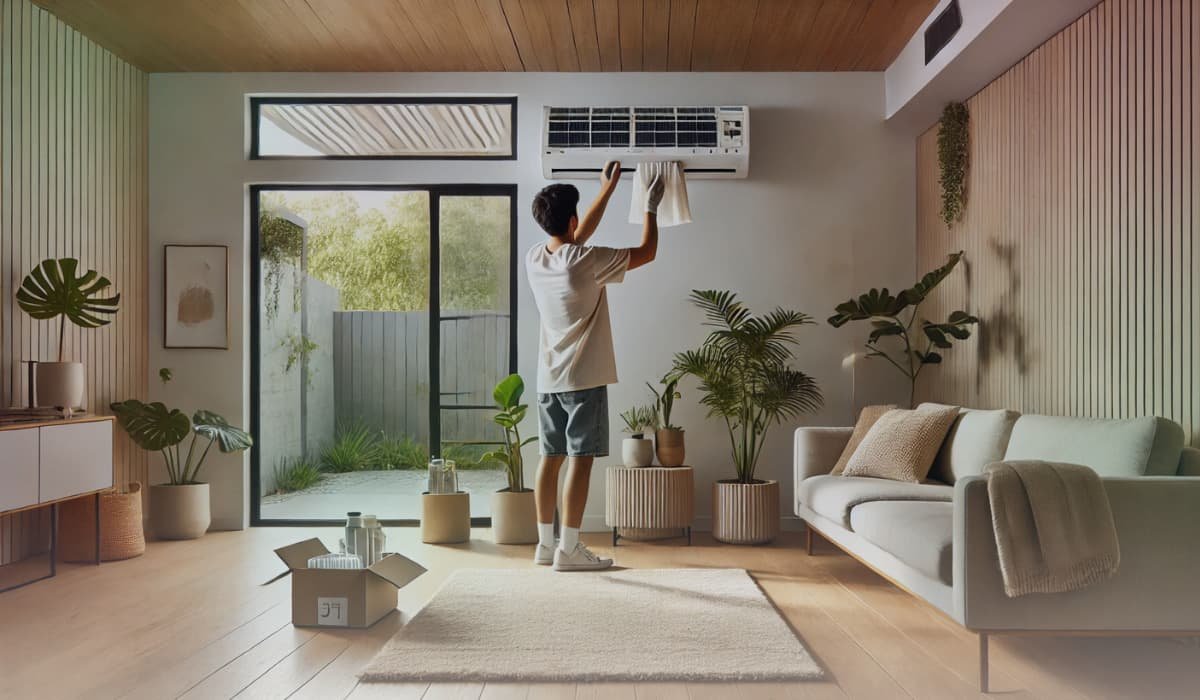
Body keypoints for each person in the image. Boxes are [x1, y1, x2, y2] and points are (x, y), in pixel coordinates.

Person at [525, 161, 665, 571]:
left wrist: (607, 189)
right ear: (570, 218)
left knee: (550, 459)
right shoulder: (586, 262)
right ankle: (570, 549)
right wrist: (650, 206)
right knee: (580, 460)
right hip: (583, 378)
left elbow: (575, 237)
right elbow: (648, 252)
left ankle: (545, 545)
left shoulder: (538, 258)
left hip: (548, 379)